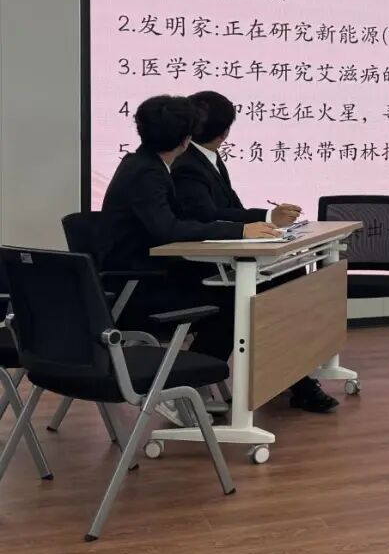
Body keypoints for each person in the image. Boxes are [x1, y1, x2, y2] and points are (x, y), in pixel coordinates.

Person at [97, 96, 279, 422]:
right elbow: (167, 229)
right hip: (136, 288)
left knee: (231, 294)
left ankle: (190, 385)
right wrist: (239, 231)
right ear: (185, 140)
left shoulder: (145, 164)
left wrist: (237, 227)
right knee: (232, 301)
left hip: (141, 277)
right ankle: (175, 388)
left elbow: (179, 222)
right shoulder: (147, 173)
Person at [172, 90, 338, 413]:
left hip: (221, 263)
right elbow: (207, 216)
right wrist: (265, 218)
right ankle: (294, 380)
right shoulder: (188, 165)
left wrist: (267, 218)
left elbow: (230, 208)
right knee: (269, 292)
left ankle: (288, 375)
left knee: (288, 275)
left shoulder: (206, 158)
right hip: (199, 269)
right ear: (225, 132)